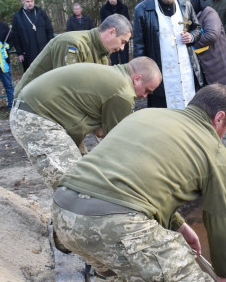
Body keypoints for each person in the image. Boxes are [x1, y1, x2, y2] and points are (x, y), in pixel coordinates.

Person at [51, 84, 226, 282]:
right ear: (219, 117)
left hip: (65, 210)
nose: (223, 137)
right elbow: (222, 220)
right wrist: (225, 272)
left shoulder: (146, 115)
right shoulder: (216, 154)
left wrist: (180, 227)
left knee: (107, 262)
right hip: (118, 222)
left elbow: (137, 178)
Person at [10, 57, 161, 190]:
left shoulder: (114, 76)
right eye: (147, 90)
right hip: (35, 119)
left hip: (41, 113)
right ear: (137, 78)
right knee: (75, 185)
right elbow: (118, 142)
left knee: (85, 174)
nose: (144, 96)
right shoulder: (123, 92)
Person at [133, 0, 203, 109]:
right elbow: (139, 47)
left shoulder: (185, 4)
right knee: (163, 115)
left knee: (189, 109)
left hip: (186, 70)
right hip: (160, 71)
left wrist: (191, 36)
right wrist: (142, 76)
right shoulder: (143, 9)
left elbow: (197, 28)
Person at [15, 14, 133, 96]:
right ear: (111, 32)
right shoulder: (73, 44)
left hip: (47, 105)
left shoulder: (102, 56)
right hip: (29, 105)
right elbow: (67, 90)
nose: (122, 48)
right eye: (122, 42)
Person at [184, 0, 226, 91]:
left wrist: (191, 39)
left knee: (224, 94)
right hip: (203, 65)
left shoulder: (208, 13)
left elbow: (212, 35)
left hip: (217, 61)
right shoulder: (188, 18)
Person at [12, 0, 54, 71]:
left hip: (44, 50)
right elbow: (15, 36)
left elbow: (49, 30)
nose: (30, 3)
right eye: (27, 1)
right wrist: (19, 53)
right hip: (28, 53)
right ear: (22, 1)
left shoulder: (41, 13)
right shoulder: (18, 16)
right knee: (31, 74)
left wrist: (51, 46)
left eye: (32, 1)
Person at [100, 0, 131, 65]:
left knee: (124, 58)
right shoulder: (103, 10)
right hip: (111, 37)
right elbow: (103, 25)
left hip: (123, 35)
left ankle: (125, 72)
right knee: (114, 60)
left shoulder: (123, 8)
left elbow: (127, 22)